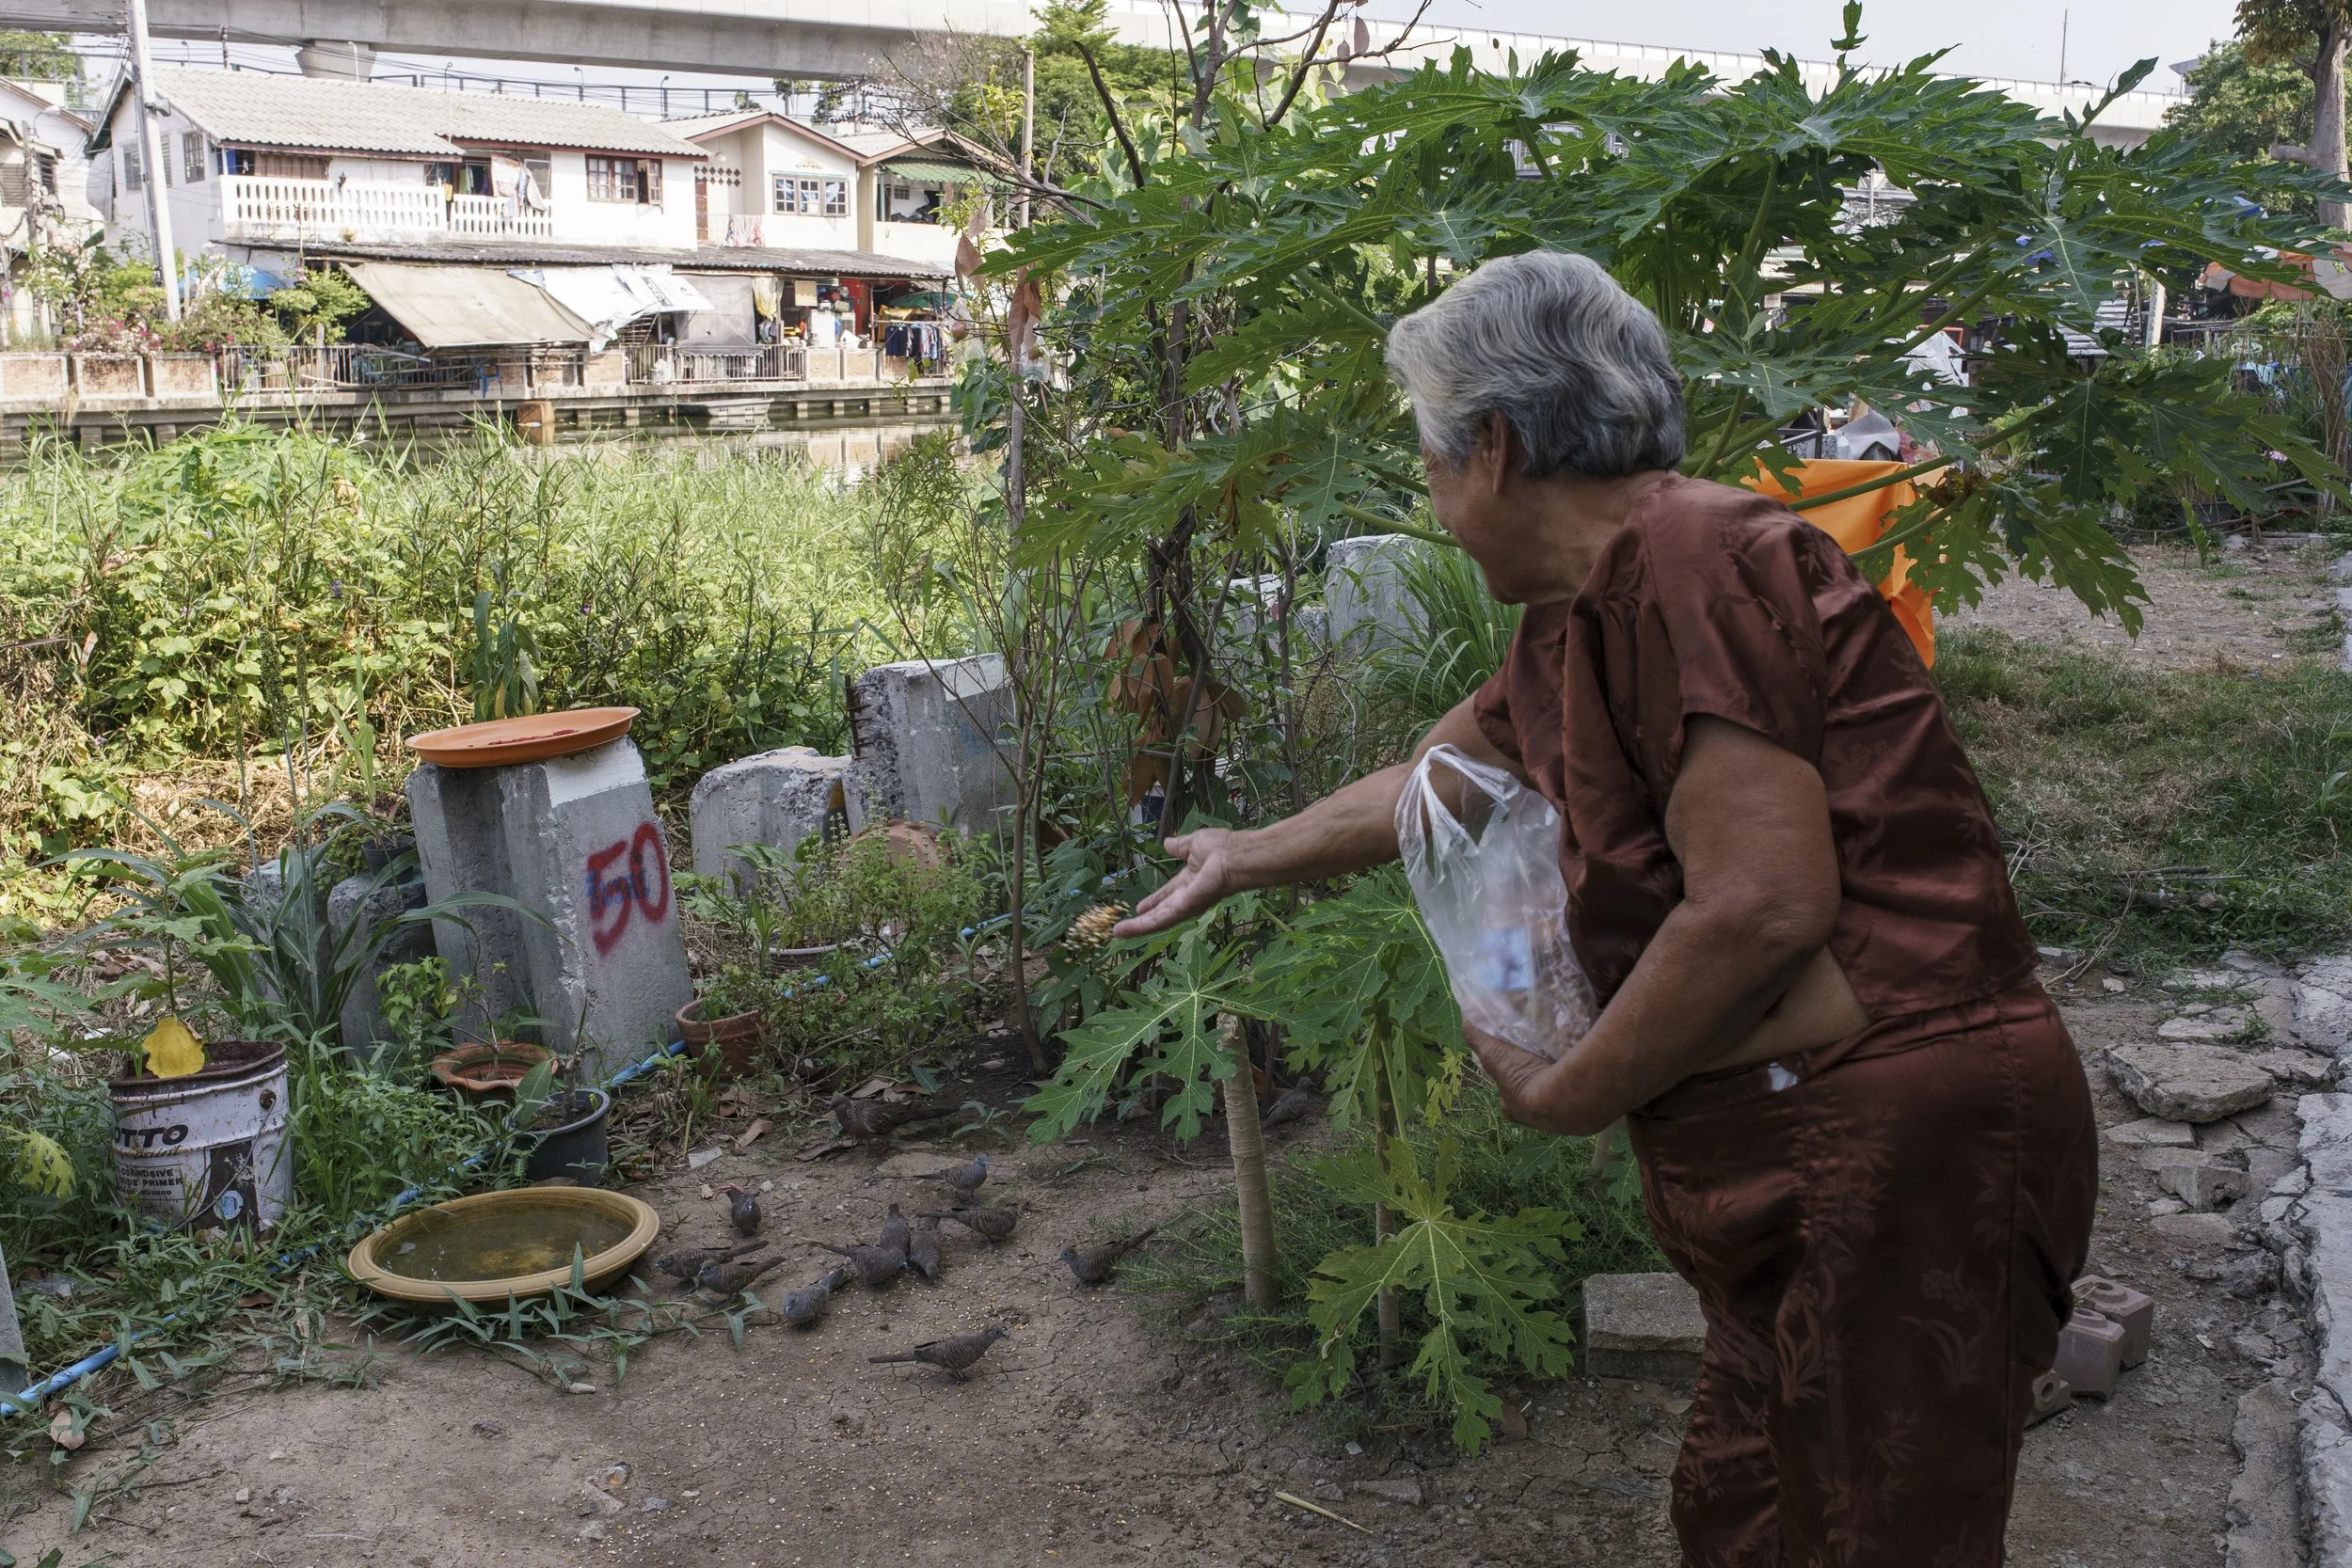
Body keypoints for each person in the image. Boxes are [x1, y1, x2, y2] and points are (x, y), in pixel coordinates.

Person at [1115, 249, 2095, 1566]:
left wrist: (1567, 1088)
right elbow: (1436, 781)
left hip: (1904, 1141)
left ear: (1498, 446)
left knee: (1873, 1535)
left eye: (1430, 457)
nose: (1432, 492)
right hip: (1798, 1147)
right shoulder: (1577, 616)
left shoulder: (1695, 553)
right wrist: (1247, 851)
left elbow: (1761, 905)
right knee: (1743, 1515)